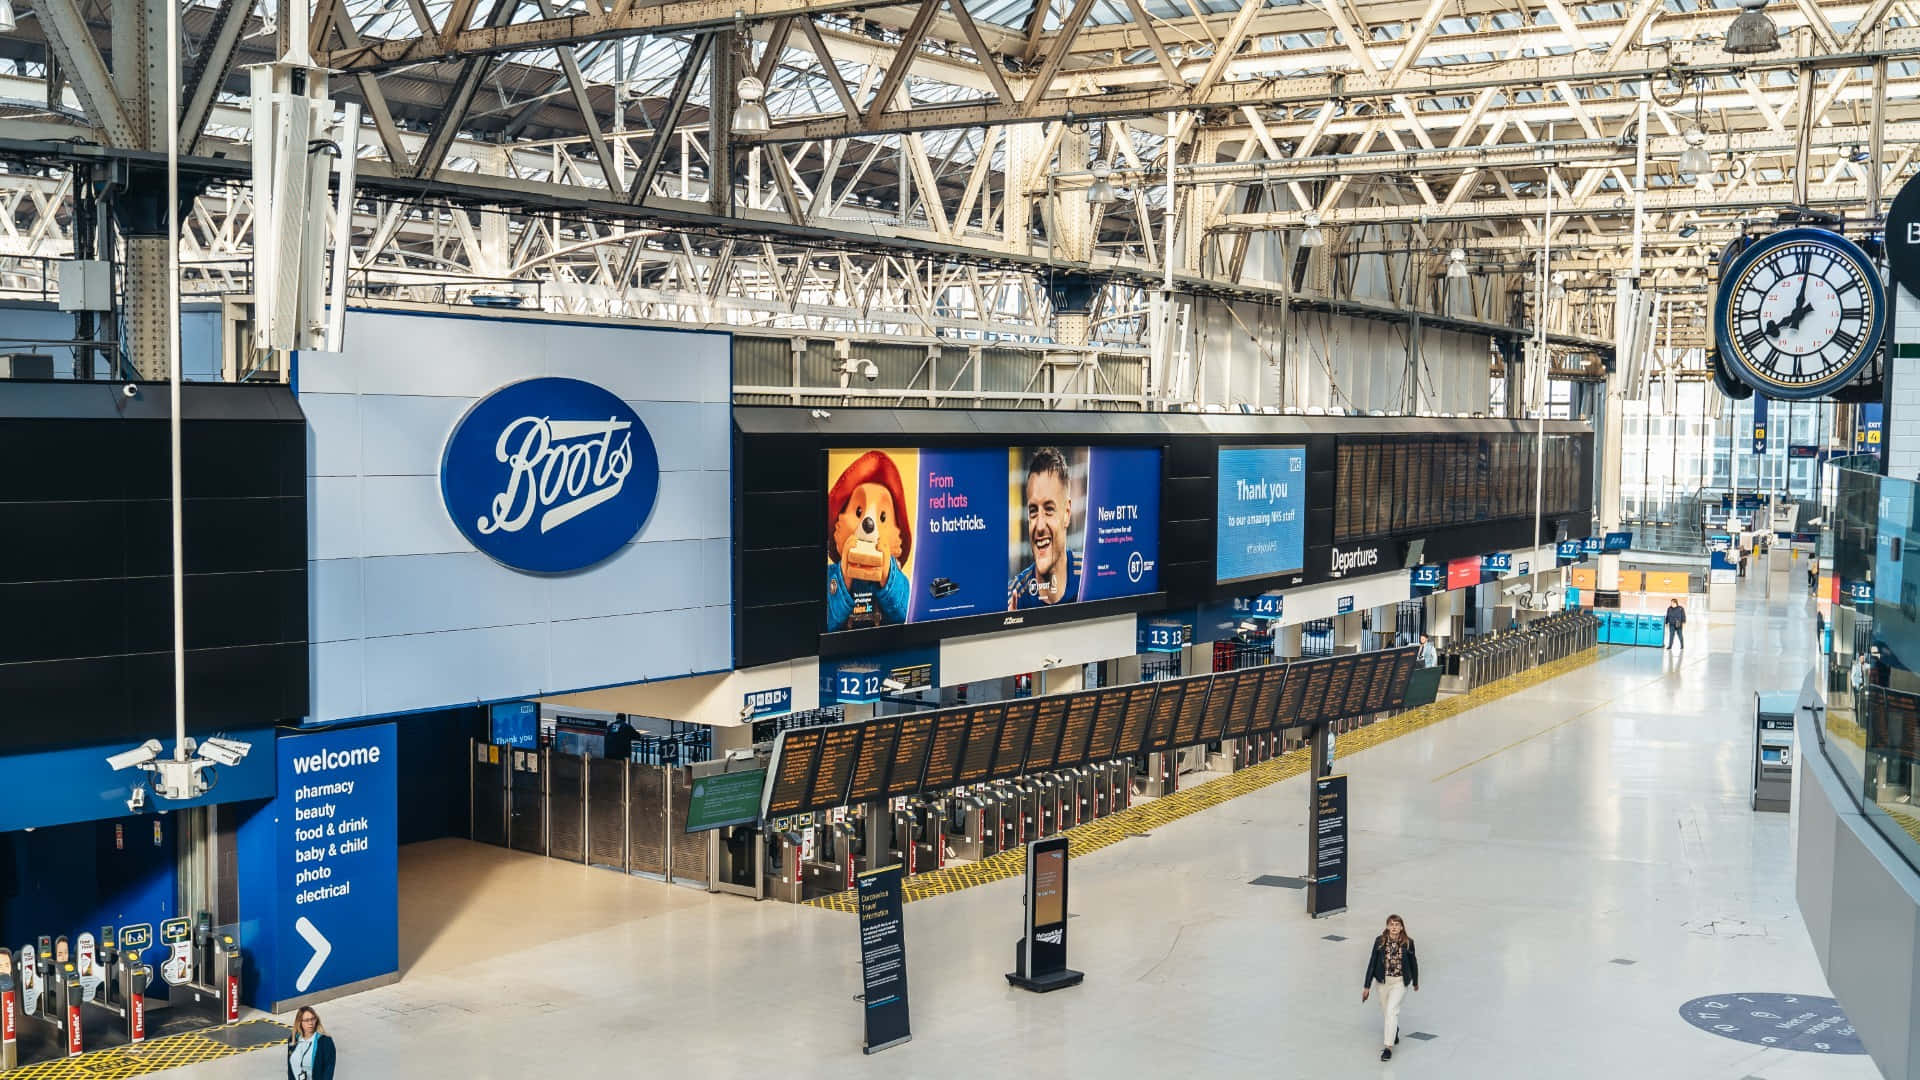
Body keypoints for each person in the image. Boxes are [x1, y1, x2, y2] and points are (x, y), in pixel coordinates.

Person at [1009, 447, 1082, 609]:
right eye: (1033, 511)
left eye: (1049, 509)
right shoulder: (1012, 597)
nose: (1040, 526)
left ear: (1067, 513)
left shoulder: (1090, 577)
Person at [1361, 914, 1420, 1061]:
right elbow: (1372, 963)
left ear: (1401, 928)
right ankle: (1395, 1030)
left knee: (1391, 1011)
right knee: (1387, 1012)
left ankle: (1388, 1047)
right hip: (1383, 982)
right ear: (1387, 926)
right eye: (1391, 924)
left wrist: (1415, 981)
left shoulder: (1408, 943)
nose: (1394, 927)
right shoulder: (1379, 942)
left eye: (1397, 925)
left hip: (1400, 982)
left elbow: (1413, 963)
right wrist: (1367, 986)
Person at [286, 1006, 336, 1080]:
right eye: (306, 1020)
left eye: (313, 1019)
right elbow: (290, 1069)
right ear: (300, 1022)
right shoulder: (293, 1039)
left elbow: (328, 1070)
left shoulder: (325, 1041)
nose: (310, 1023)